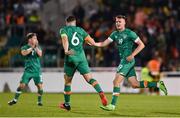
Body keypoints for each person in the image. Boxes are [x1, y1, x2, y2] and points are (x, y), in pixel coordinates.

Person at [94, 15, 168, 111]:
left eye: (120, 21)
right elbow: (104, 43)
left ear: (124, 23)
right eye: (116, 21)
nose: (118, 23)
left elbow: (142, 45)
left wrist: (132, 55)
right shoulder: (114, 34)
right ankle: (158, 84)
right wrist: (94, 43)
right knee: (135, 84)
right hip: (124, 60)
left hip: (127, 60)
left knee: (116, 81)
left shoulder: (130, 33)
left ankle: (112, 105)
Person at [59, 16, 107, 111]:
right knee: (90, 79)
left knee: (68, 82)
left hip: (71, 57)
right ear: (75, 22)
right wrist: (90, 42)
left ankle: (67, 104)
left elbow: (65, 40)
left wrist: (65, 50)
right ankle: (100, 92)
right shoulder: (81, 30)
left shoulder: (63, 30)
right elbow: (92, 42)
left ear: (67, 22)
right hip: (81, 58)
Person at [8, 33, 43, 106]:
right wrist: (32, 47)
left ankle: (39, 101)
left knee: (40, 86)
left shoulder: (38, 47)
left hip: (37, 71)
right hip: (28, 71)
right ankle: (15, 100)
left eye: (36, 38)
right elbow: (24, 53)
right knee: (22, 86)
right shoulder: (24, 47)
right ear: (29, 40)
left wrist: (35, 47)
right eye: (34, 38)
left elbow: (40, 54)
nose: (36, 40)